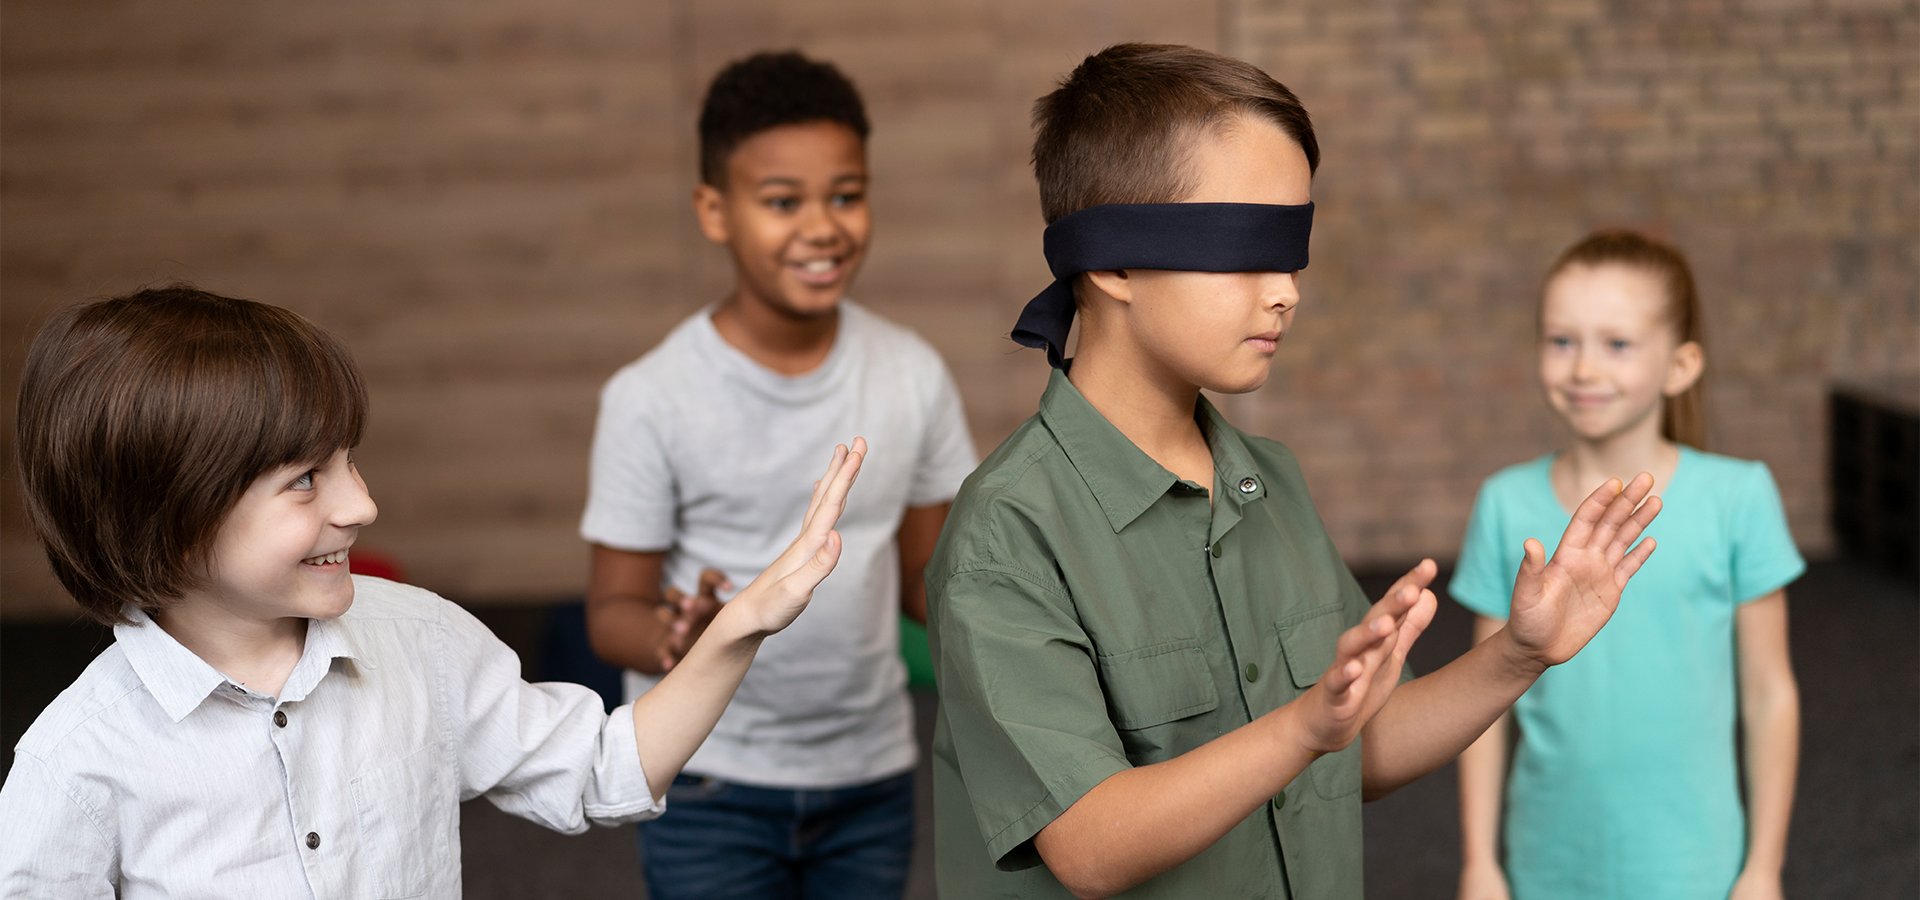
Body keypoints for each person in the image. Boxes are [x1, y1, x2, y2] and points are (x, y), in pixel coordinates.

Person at [926, 43, 1668, 900]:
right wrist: (1302, 728)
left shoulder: (1266, 479)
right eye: (1247, 248)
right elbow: (1091, 844)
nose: (1287, 291)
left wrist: (1519, 655)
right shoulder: (1006, 535)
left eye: (1294, 251)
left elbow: (1362, 746)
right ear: (1115, 263)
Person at [0, 286, 866, 898]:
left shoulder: (419, 639)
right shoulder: (74, 766)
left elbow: (603, 770)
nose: (361, 504)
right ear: (172, 519)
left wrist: (743, 624)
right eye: (306, 481)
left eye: (350, 462)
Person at [579, 50, 976, 900]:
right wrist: (668, 639)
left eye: (846, 195)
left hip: (870, 773)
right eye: (782, 201)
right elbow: (612, 609)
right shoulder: (650, 398)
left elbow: (929, 584)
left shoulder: (912, 374)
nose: (823, 227)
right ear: (714, 211)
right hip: (706, 777)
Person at [1452, 230, 1803, 900]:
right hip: (1546, 862)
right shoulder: (1504, 503)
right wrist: (1480, 862)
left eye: (1616, 344)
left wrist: (1763, 869)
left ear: (1681, 365)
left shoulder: (1738, 497)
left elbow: (1769, 695)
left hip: (1697, 866)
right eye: (1561, 341)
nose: (1583, 368)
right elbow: (1482, 704)